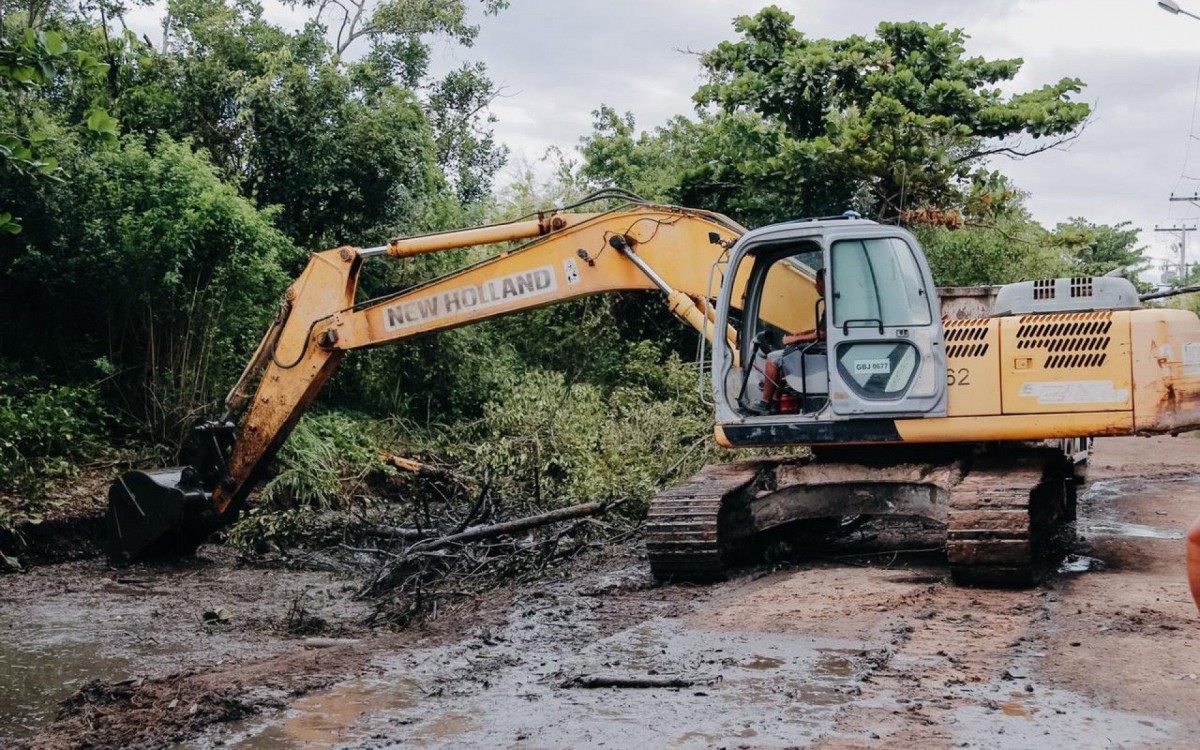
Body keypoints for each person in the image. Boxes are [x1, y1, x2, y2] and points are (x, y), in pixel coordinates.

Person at [759, 268, 826, 408]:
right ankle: (776, 402)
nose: (815, 286)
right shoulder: (832, 303)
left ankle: (765, 403)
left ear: (824, 283)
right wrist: (801, 334)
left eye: (817, 282)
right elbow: (821, 329)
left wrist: (794, 340)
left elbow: (824, 334)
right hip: (822, 348)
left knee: (773, 358)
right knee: (786, 356)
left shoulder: (830, 304)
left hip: (821, 351)